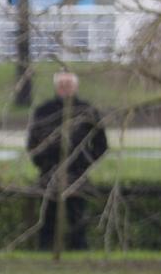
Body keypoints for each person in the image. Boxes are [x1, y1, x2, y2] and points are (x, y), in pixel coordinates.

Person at [27, 69, 109, 252]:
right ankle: (45, 249)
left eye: (69, 85)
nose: (65, 88)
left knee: (77, 214)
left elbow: (101, 144)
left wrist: (84, 163)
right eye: (62, 85)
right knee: (48, 215)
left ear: (76, 86)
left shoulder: (88, 111)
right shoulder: (43, 111)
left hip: (77, 173)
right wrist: (44, 163)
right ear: (56, 87)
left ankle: (78, 249)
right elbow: (32, 143)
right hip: (49, 172)